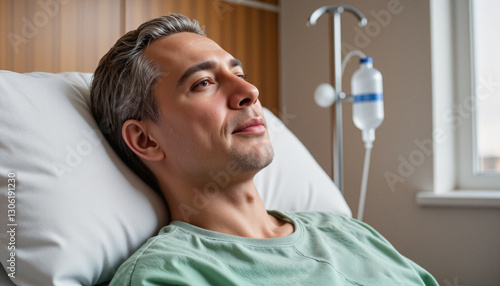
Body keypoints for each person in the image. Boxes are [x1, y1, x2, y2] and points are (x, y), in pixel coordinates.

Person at [91, 13, 438, 286]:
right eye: (203, 83)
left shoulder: (351, 233)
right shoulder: (169, 276)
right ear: (145, 140)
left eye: (238, 72)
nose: (250, 90)